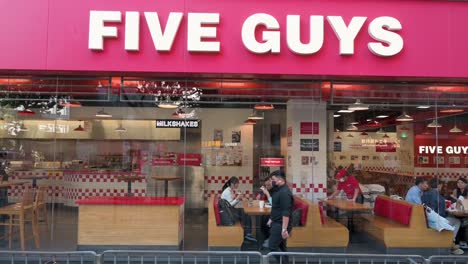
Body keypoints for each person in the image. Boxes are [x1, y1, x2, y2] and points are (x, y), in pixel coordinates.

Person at [421, 178, 463, 255]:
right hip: (436, 219)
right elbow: (436, 210)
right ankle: (450, 242)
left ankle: (450, 241)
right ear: (439, 185)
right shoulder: (436, 194)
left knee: (453, 219)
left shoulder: (425, 194)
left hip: (428, 219)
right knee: (457, 221)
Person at [267, 170, 293, 263]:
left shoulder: (285, 192)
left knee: (272, 246)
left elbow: (286, 212)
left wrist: (284, 229)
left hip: (280, 224)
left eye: (273, 179)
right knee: (281, 247)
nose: (272, 181)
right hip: (276, 221)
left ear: (280, 179)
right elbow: (276, 207)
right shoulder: (279, 189)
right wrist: (271, 218)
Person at [220, 177, 256, 242]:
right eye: (237, 184)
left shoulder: (230, 190)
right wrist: (237, 198)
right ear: (232, 184)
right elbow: (230, 205)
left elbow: (230, 203)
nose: (238, 185)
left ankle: (247, 233)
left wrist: (238, 198)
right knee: (246, 213)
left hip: (229, 211)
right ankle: (247, 234)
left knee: (244, 211)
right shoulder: (227, 191)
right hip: (228, 214)